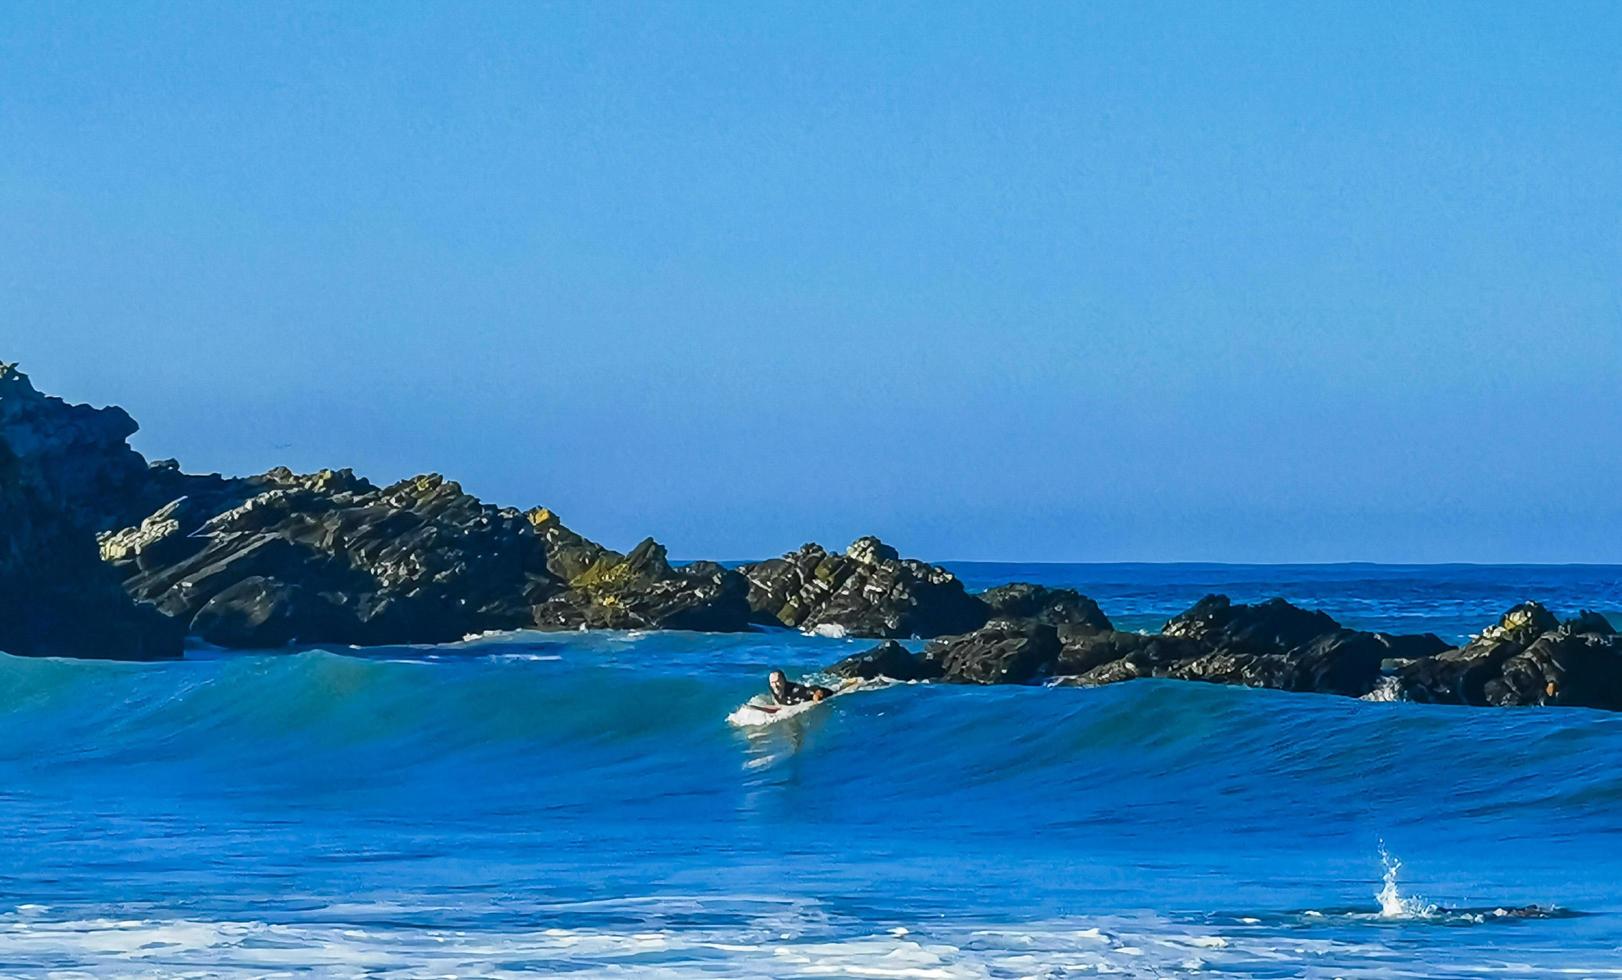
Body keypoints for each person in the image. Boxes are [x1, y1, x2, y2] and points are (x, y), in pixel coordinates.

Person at [768, 670, 833, 706]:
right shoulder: (773, 688)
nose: (775, 685)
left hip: (828, 692)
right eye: (772, 682)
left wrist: (817, 694)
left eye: (777, 682)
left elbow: (814, 689)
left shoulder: (796, 691)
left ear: (784, 681)